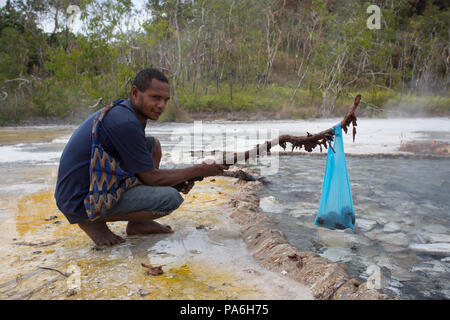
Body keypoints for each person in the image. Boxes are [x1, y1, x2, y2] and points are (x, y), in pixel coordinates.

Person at [54, 68, 227, 246]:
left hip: (89, 183)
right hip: (78, 198)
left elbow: (144, 170)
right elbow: (151, 178)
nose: (162, 105)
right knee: (169, 198)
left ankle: (139, 223)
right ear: (135, 93)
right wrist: (198, 170)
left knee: (152, 145)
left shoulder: (127, 113)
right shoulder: (126, 122)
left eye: (165, 100)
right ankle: (91, 220)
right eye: (155, 98)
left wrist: (182, 176)